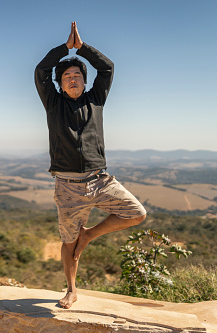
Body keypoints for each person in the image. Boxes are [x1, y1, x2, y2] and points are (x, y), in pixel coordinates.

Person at [34, 22, 147, 309]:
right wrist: (64, 49)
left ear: (85, 81)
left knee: (136, 213)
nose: (73, 79)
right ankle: (71, 290)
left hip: (100, 180)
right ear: (60, 83)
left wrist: (82, 48)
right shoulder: (53, 103)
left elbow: (107, 67)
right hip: (68, 186)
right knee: (68, 242)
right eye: (67, 76)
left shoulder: (96, 100)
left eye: (77, 75)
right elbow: (41, 72)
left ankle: (90, 235)